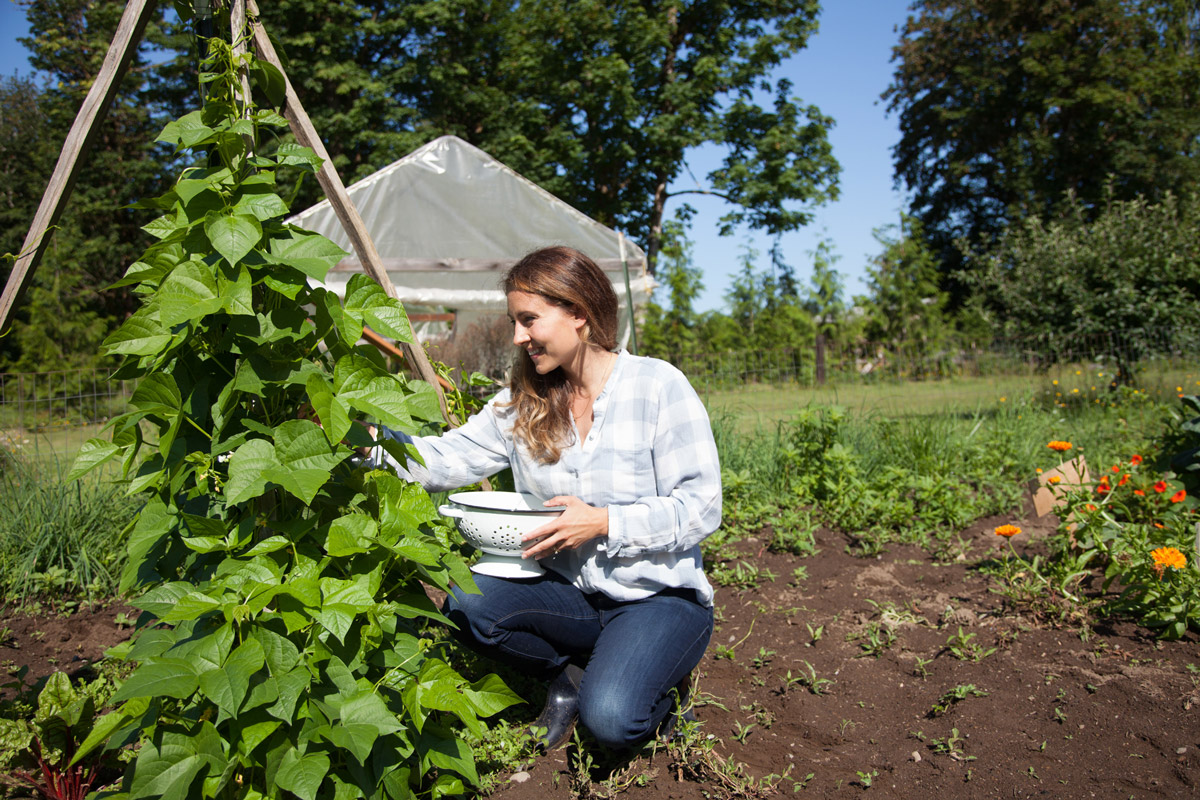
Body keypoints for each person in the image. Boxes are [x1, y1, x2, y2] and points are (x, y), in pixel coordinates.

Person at [369, 245, 722, 751]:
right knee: (470, 604)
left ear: (578, 313)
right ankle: (572, 674)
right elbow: (448, 458)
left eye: (529, 320)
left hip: (656, 596)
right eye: (515, 321)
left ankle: (654, 688)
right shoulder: (525, 402)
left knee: (612, 723)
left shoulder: (658, 387)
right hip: (569, 593)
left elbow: (702, 505)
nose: (518, 336)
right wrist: (369, 446)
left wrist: (603, 521)